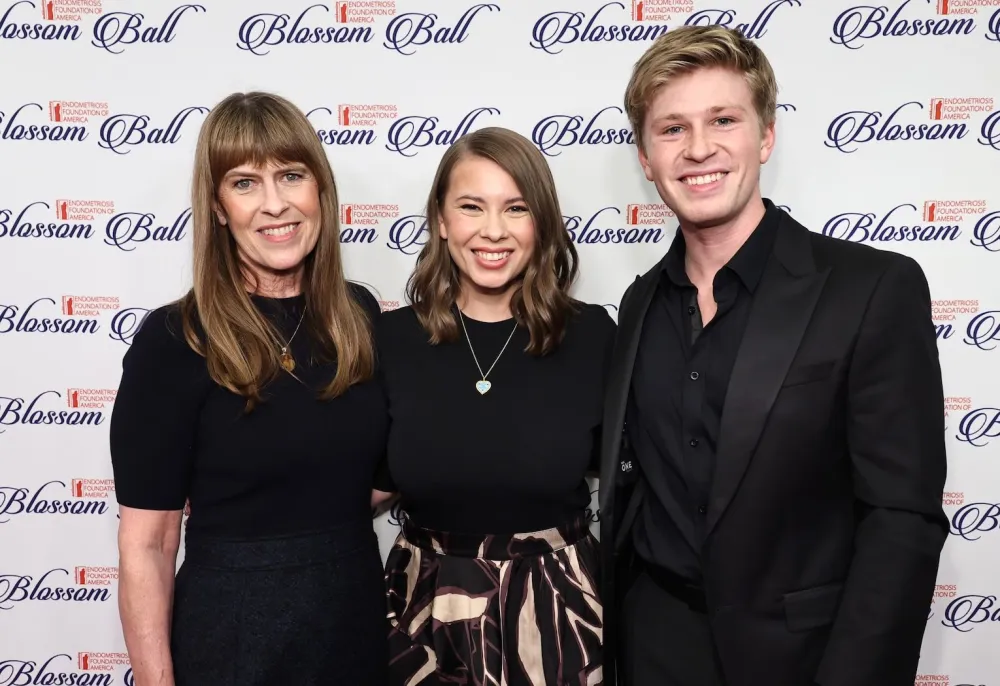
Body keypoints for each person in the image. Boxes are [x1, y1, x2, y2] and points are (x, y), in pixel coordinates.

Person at [598, 26, 948, 686]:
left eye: (723, 120)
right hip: (655, 649)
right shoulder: (640, 304)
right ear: (646, 158)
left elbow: (901, 520)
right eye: (671, 129)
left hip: (803, 662)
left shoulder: (871, 288)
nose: (699, 148)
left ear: (764, 135)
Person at [110, 91, 389, 686]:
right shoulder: (173, 340)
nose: (274, 205)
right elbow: (149, 545)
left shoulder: (360, 317)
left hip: (353, 620)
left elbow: (360, 476)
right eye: (244, 183)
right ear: (216, 206)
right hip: (232, 635)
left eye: (291, 175)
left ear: (321, 190)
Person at [374, 126, 614, 685]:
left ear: (542, 223)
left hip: (558, 611)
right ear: (441, 219)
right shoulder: (390, 341)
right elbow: (357, 478)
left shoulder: (594, 338)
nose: (493, 230)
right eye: (471, 207)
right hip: (423, 611)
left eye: (516, 208)